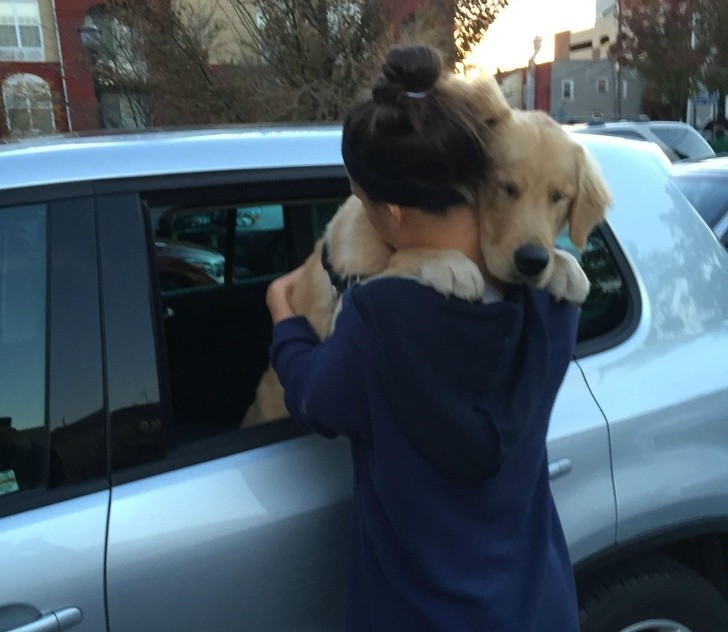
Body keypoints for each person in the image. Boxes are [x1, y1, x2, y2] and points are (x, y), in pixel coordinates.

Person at [266, 45, 580, 632]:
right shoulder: (555, 302)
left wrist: (284, 315)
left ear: (386, 208)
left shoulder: (378, 317)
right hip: (539, 607)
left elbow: (313, 400)